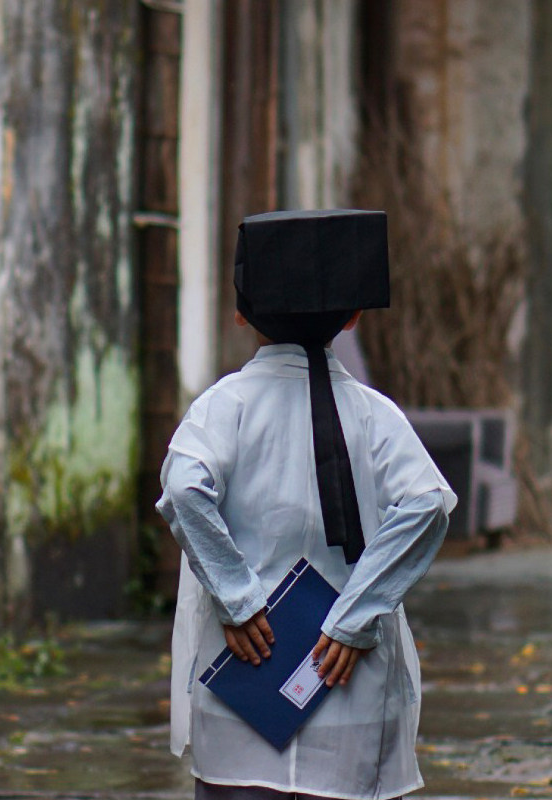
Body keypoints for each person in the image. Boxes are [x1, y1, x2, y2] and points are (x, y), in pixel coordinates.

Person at [156, 209, 457, 800]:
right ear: (352, 317)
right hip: (348, 696)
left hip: (241, 692)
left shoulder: (222, 407)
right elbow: (427, 504)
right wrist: (355, 615)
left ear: (242, 314)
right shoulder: (374, 414)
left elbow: (185, 489)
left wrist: (238, 599)